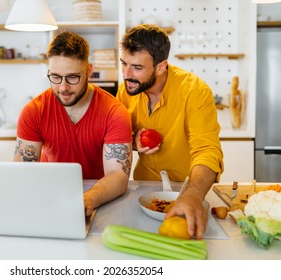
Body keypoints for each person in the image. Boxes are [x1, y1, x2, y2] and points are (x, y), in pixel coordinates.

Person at [116, 24, 224, 240]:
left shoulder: (195, 91)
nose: (127, 74)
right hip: (143, 191)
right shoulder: (127, 89)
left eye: (137, 67)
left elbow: (207, 151)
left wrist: (192, 196)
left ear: (161, 66)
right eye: (124, 64)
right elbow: (118, 138)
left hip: (186, 191)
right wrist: (132, 140)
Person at [14, 31, 133, 217]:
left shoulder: (114, 112)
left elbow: (118, 176)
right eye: (55, 77)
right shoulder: (33, 111)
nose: (63, 87)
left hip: (100, 199)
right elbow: (22, 173)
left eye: (72, 77)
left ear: (89, 71)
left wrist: (87, 200)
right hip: (48, 197)